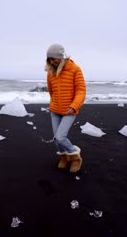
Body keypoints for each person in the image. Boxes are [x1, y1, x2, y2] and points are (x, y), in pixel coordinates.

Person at [45, 44, 86, 173]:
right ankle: (64, 157)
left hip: (70, 111)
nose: (52, 62)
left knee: (60, 137)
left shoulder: (75, 69)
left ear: (61, 57)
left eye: (54, 58)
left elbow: (81, 91)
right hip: (55, 111)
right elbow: (51, 92)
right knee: (56, 140)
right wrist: (53, 105)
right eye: (49, 59)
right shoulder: (51, 72)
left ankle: (75, 158)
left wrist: (74, 106)